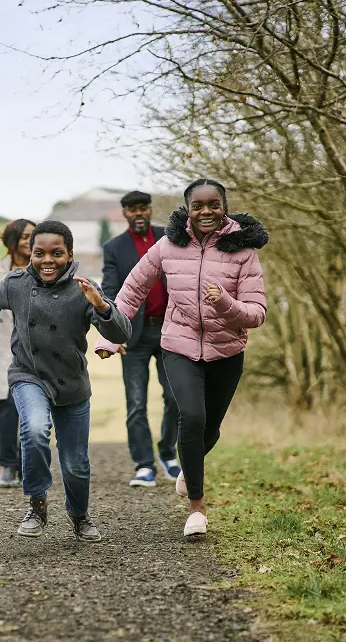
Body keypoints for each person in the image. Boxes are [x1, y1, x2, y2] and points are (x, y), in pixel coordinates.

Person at [96, 179, 267, 537]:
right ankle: (197, 509)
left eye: (213, 204)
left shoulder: (243, 251)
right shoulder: (169, 245)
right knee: (191, 415)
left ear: (224, 206)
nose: (206, 212)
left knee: (211, 427)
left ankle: (188, 469)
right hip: (179, 344)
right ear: (187, 209)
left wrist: (224, 303)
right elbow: (132, 290)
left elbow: (256, 313)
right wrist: (110, 337)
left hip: (227, 350)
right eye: (198, 206)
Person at [0, 221, 131, 542]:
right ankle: (37, 504)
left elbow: (121, 334)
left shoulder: (84, 288)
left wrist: (101, 305)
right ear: (30, 255)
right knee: (34, 429)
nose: (47, 260)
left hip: (72, 384)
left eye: (56, 253)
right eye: (39, 253)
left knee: (75, 463)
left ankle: (79, 515)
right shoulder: (16, 283)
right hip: (28, 374)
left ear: (69, 255)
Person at [101, 190, 180, 488]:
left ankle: (168, 454)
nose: (138, 213)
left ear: (149, 209)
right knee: (136, 402)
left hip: (171, 330)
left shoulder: (170, 237)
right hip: (133, 334)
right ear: (124, 213)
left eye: (143, 208)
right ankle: (144, 465)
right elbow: (109, 290)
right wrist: (113, 331)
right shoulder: (114, 247)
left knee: (175, 397)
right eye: (132, 209)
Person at [0, 219, 36, 487]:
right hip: (2, 345)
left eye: (33, 236)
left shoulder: (42, 268)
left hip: (34, 347)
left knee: (31, 406)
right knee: (6, 404)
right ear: (13, 240)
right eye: (25, 236)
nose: (30, 241)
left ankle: (28, 466)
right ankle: (7, 466)